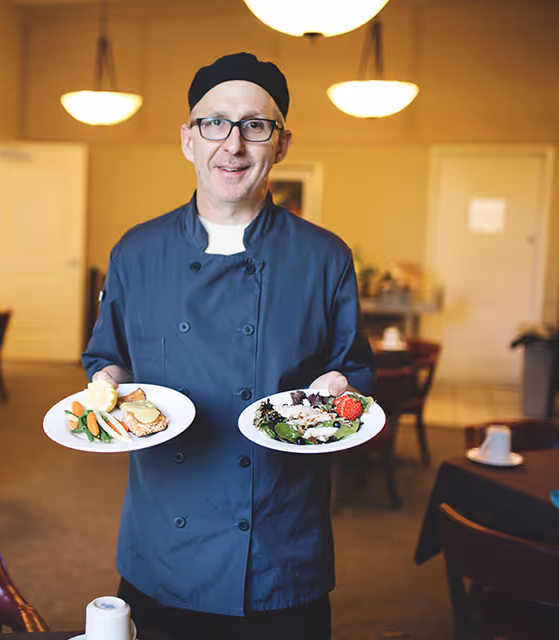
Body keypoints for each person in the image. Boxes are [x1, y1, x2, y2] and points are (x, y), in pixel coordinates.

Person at [81, 52, 375, 640]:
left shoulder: (325, 257)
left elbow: (354, 370)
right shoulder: (136, 253)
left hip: (278, 546)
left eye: (255, 125)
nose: (233, 144)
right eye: (214, 123)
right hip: (163, 542)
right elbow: (103, 356)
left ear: (281, 143)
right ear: (188, 140)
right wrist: (105, 385)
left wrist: (341, 389)